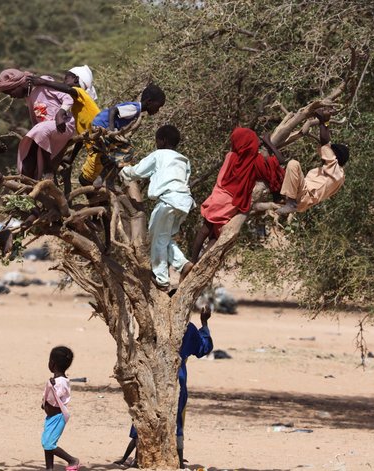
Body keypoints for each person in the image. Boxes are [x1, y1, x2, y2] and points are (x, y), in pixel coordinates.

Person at [114, 306, 213, 469]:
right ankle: (179, 460)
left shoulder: (154, 326)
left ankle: (137, 457)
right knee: (176, 418)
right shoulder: (188, 329)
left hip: (153, 376)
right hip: (177, 377)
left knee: (146, 412)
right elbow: (204, 348)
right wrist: (204, 322)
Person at [191, 128, 285, 263]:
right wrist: (269, 143)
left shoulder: (230, 156)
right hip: (232, 204)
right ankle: (200, 264)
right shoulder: (255, 162)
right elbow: (279, 161)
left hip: (218, 197)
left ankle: (193, 261)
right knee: (215, 237)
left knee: (205, 230)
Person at [119, 125, 194, 290]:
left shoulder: (159, 155)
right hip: (183, 202)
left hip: (167, 202)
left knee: (157, 239)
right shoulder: (183, 159)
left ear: (163, 141)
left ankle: (161, 280)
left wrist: (123, 171)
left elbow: (138, 171)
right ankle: (183, 264)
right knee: (165, 238)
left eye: (157, 140)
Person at [28, 66, 101, 195]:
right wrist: (71, 158)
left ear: (76, 80)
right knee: (90, 180)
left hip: (99, 149)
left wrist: (43, 82)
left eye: (67, 77)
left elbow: (68, 89)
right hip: (95, 150)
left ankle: (100, 210)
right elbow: (82, 137)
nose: (63, 79)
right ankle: (100, 209)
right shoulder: (78, 110)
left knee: (85, 181)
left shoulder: (80, 93)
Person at [80, 84, 166, 188]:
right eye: (158, 106)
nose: (158, 110)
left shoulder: (137, 111)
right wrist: (111, 131)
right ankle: (109, 181)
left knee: (116, 156)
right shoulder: (135, 108)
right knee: (128, 152)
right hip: (102, 127)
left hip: (100, 126)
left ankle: (101, 177)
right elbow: (113, 110)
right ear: (149, 102)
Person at [0, 68, 76, 180]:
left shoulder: (42, 82)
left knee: (40, 130)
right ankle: (28, 183)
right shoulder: (28, 97)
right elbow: (35, 121)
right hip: (46, 133)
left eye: (11, 92)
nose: (11, 96)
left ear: (19, 85)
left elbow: (68, 99)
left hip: (64, 126)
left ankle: (48, 170)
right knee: (26, 150)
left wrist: (60, 115)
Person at [276, 109, 348, 214]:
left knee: (293, 164)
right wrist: (324, 122)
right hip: (303, 200)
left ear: (336, 157)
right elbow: (324, 145)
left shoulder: (336, 171)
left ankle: (290, 203)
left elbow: (325, 143)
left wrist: (324, 121)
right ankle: (283, 198)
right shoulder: (336, 175)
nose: (324, 155)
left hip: (305, 195)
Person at [42, 346, 79, 471]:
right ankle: (49, 468)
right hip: (52, 417)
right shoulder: (58, 380)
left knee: (49, 444)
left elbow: (54, 400)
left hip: (58, 417)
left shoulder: (60, 382)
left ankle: (72, 460)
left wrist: (51, 387)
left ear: (52, 364)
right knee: (47, 442)